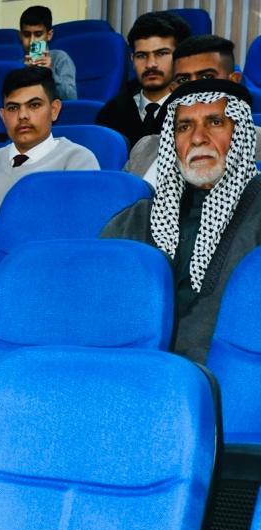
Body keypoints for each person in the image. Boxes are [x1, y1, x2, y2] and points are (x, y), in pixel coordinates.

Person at [103, 79, 261, 364]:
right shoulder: (135, 220)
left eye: (215, 122)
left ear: (241, 133)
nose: (198, 138)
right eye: (184, 127)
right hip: (136, 373)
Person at [0, 67, 98, 291]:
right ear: (2, 116)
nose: (23, 116)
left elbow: (74, 243)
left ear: (54, 110)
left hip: (34, 283)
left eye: (34, 105)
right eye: (13, 108)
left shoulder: (76, 161)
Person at [125, 36, 260, 179]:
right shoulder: (147, 148)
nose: (194, 89)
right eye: (184, 80)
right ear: (173, 89)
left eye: (207, 77)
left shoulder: (258, 144)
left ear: (234, 81)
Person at [97, 12, 192, 150]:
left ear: (181, 57)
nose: (150, 64)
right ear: (132, 59)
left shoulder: (196, 108)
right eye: (141, 56)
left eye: (162, 53)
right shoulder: (109, 114)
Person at [19, 5, 77, 101]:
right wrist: (25, 73)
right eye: (27, 35)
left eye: (38, 34)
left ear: (49, 35)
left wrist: (50, 72)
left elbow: (71, 98)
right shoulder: (18, 65)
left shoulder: (60, 59)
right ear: (20, 36)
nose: (32, 41)